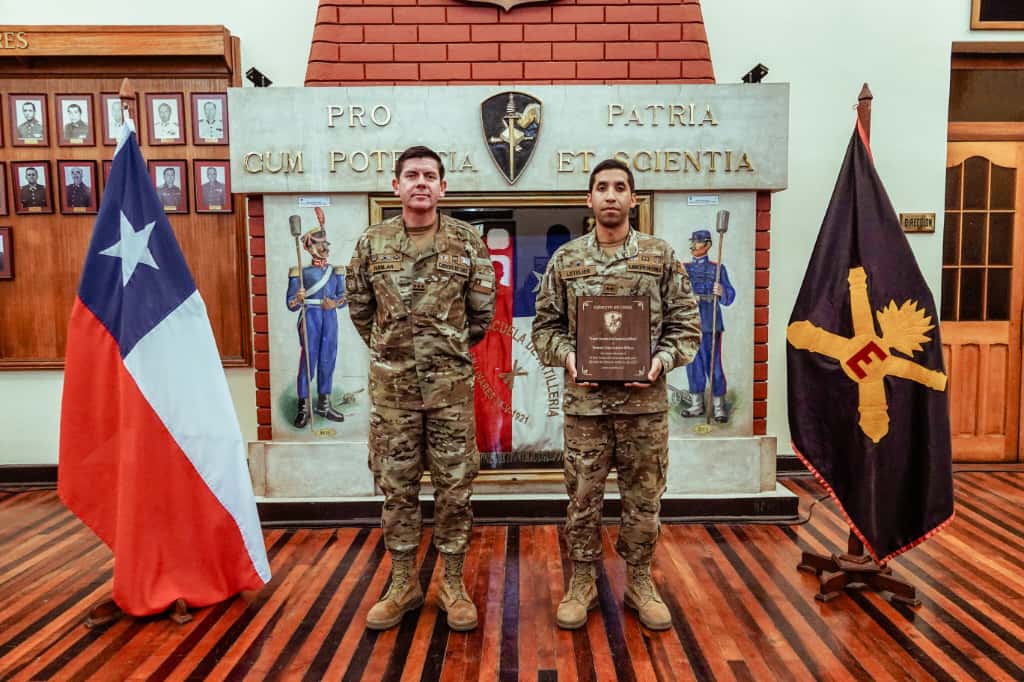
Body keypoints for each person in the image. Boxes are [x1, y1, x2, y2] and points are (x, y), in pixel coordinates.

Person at [532, 158, 700, 631]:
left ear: (633, 199)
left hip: (643, 409)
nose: (610, 195)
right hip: (585, 410)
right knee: (582, 499)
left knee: (644, 499)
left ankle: (640, 581)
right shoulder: (567, 260)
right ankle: (582, 580)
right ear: (589, 200)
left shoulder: (661, 256)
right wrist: (568, 357)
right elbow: (545, 327)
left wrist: (660, 362)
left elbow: (687, 326)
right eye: (601, 187)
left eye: (619, 187)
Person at [347, 145, 496, 632]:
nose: (420, 183)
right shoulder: (372, 242)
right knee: (397, 491)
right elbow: (360, 309)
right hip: (393, 396)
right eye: (411, 175)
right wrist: (394, 352)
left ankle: (452, 584)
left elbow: (482, 314)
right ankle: (404, 583)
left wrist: (440, 352)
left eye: (430, 176)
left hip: (449, 393)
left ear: (443, 187)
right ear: (396, 186)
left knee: (455, 491)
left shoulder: (467, 242)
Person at [285, 223, 346, 427]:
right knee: (308, 361)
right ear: (309, 248)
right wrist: (298, 298)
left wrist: (335, 303)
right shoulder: (300, 272)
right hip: (310, 315)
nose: (324, 248)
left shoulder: (336, 271)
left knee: (328, 359)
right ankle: (303, 406)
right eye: (319, 245)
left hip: (329, 318)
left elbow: (344, 297)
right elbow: (291, 305)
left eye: (325, 244)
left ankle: (324, 404)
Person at [682, 229, 736, 422]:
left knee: (714, 366)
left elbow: (730, 296)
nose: (692, 246)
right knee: (693, 365)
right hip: (691, 324)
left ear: (707, 245)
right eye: (692, 242)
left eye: (696, 243)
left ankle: (719, 406)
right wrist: (689, 298)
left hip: (711, 323)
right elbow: (676, 294)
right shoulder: (684, 268)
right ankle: (697, 405)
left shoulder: (717, 268)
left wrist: (722, 290)